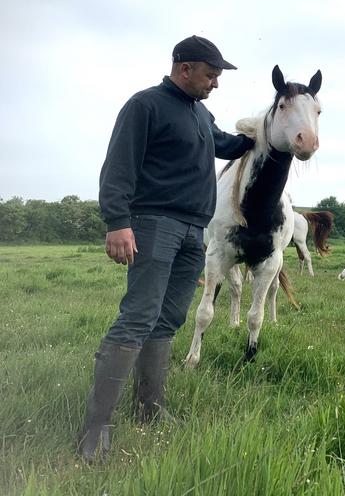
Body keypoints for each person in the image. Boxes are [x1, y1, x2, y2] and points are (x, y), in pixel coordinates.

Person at [78, 36, 254, 463]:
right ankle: (96, 429)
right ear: (185, 68)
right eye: (211, 75)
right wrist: (117, 222)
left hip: (195, 232)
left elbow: (226, 144)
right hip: (153, 224)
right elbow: (118, 165)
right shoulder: (146, 106)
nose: (216, 83)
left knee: (169, 318)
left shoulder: (200, 113)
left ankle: (150, 410)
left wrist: (268, 134)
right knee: (138, 316)